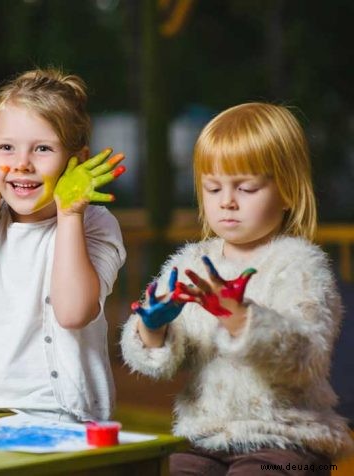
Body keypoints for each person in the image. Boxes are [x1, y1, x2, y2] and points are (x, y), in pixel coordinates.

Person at [120, 102, 353, 474]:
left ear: (289, 191)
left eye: (245, 187)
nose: (226, 201)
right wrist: (151, 327)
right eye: (213, 188)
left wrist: (243, 319)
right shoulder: (190, 263)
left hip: (288, 441)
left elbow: (305, 358)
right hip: (203, 437)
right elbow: (157, 360)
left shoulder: (300, 266)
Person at [0, 68, 127, 422]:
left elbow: (72, 312)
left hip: (58, 415)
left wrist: (69, 215)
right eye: (7, 148)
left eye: (43, 149)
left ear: (76, 160)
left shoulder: (95, 224)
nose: (21, 164)